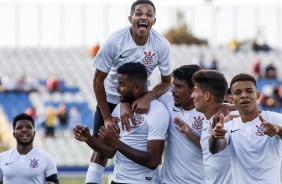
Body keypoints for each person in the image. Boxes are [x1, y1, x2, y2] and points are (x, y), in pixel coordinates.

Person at [90, 0, 172, 183]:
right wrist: (108, 116)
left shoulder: (161, 45)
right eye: (139, 13)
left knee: (141, 146)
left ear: (154, 21)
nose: (144, 17)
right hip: (111, 98)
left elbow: (167, 82)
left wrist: (148, 98)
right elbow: (97, 80)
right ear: (130, 18)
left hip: (139, 96)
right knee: (101, 150)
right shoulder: (115, 41)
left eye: (149, 14)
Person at [74, 62, 169, 183]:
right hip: (117, 180)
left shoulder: (157, 111)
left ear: (136, 87)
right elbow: (110, 152)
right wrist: (88, 139)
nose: (117, 88)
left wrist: (116, 143)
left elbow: (153, 161)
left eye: (121, 84)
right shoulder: (119, 108)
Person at [209, 73, 282, 184]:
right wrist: (214, 137)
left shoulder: (274, 118)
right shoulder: (230, 125)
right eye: (238, 93)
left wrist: (278, 129)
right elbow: (215, 148)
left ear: (258, 95)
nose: (244, 95)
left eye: (249, 91)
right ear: (232, 99)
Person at [157, 65, 205, 184]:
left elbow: (213, 150)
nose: (173, 91)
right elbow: (140, 94)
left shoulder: (209, 113)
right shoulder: (167, 100)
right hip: (167, 181)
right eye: (173, 86)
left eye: (179, 87)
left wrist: (190, 134)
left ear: (194, 89)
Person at [191, 70, 232, 184]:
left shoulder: (228, 122)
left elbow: (217, 146)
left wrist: (228, 107)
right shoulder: (208, 121)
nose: (192, 95)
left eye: (195, 91)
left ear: (207, 96)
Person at [0, 113, 59, 184]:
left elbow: (54, 182)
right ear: (14, 134)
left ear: (34, 133)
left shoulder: (46, 158)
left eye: (28, 127)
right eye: (19, 127)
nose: (24, 130)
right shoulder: (2, 157)